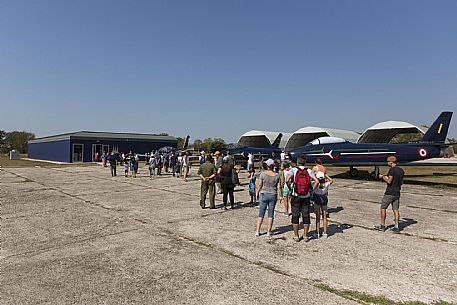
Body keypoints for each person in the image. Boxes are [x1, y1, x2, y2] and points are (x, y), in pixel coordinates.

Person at [286, 156, 317, 242]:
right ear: (305, 163)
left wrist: (290, 188)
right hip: (306, 196)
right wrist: (311, 191)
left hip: (296, 196)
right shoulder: (309, 170)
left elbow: (287, 180)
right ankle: (306, 236)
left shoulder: (294, 170)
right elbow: (317, 181)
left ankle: (296, 236)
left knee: (295, 215)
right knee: (306, 215)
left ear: (297, 163)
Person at [374, 155, 405, 232]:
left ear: (391, 162)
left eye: (388, 161)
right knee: (396, 209)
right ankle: (396, 226)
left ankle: (382, 225)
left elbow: (389, 181)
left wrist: (382, 177)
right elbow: (401, 182)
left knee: (383, 208)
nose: (387, 163)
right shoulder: (401, 170)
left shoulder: (392, 170)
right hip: (397, 193)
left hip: (390, 192)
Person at [255, 159, 281, 237]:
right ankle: (268, 232)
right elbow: (279, 187)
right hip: (273, 194)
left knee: (261, 213)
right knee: (271, 214)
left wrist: (257, 192)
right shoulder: (277, 175)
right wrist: (281, 196)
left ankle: (257, 231)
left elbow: (260, 185)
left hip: (264, 193)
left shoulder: (263, 174)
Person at [313, 171, 333, 238]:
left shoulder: (315, 184)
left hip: (317, 199)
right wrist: (326, 175)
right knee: (324, 217)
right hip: (324, 199)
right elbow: (331, 180)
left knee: (317, 217)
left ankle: (317, 232)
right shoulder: (326, 184)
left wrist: (314, 175)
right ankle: (325, 233)